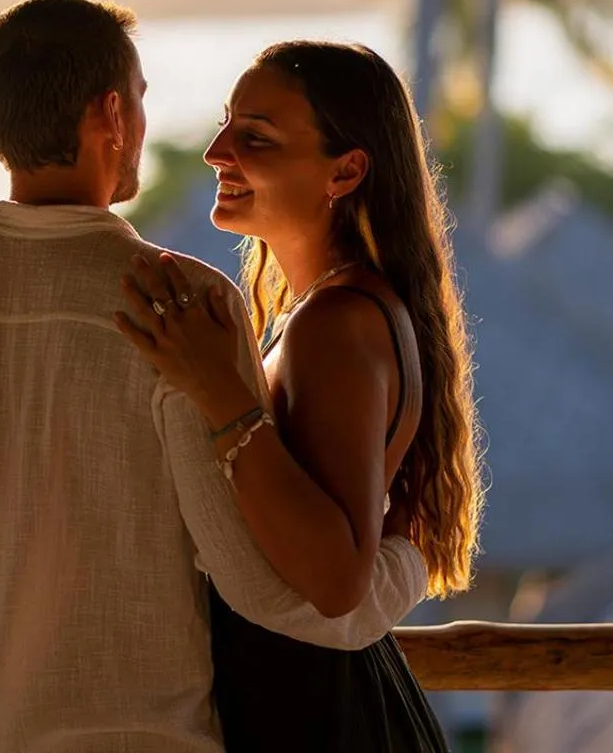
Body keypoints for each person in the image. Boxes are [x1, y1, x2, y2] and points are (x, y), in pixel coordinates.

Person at [0, 0, 430, 753]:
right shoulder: (176, 304)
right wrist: (405, 562)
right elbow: (256, 587)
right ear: (112, 115)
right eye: (143, 100)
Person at [117, 40, 483, 751]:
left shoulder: (335, 324)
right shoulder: (323, 311)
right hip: (315, 697)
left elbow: (336, 579)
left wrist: (221, 396)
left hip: (320, 714)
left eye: (255, 137)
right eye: (227, 124)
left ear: (344, 172)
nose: (216, 151)